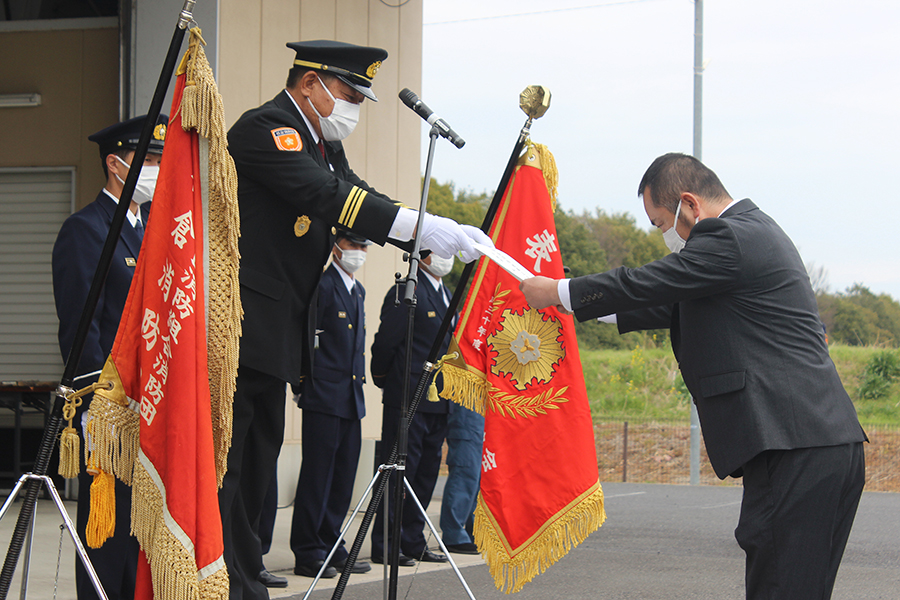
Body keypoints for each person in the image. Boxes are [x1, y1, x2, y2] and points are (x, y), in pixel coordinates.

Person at [519, 153, 867, 600]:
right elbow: (660, 303)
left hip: (797, 444)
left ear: (690, 204)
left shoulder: (730, 236)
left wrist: (560, 290)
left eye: (660, 222)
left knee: (779, 586)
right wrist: (565, 300)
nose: (664, 235)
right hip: (814, 441)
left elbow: (651, 283)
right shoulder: (751, 237)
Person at [224, 40, 490, 600]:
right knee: (236, 462)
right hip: (247, 325)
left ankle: (243, 578)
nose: (354, 108)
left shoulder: (320, 141)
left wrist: (424, 223)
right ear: (310, 84)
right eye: (348, 94)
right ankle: (229, 579)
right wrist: (413, 225)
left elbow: (354, 190)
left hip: (278, 327)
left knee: (258, 461)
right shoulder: (268, 127)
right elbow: (324, 195)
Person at [52, 114, 168, 600]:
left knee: (140, 536)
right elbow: (82, 327)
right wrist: (100, 407)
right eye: (152, 161)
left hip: (150, 405)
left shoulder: (148, 232)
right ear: (117, 164)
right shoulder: (86, 229)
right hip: (110, 409)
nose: (159, 171)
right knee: (108, 533)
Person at [290, 230, 373, 579]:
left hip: (351, 397)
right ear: (337, 246)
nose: (359, 252)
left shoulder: (358, 290)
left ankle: (330, 541)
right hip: (323, 395)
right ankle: (308, 550)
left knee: (342, 479)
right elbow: (305, 337)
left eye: (363, 246)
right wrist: (301, 384)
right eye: (353, 245)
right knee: (318, 476)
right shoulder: (323, 287)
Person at [370, 253, 456, 566]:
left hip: (438, 397)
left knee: (424, 475)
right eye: (440, 252)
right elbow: (386, 343)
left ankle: (413, 540)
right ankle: (386, 544)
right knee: (397, 473)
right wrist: (386, 381)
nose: (446, 259)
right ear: (423, 256)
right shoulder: (406, 291)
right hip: (407, 394)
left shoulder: (448, 293)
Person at [439, 403, 484, 555]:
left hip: (481, 411)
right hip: (467, 413)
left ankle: (475, 531)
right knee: (464, 474)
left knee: (478, 478)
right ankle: (453, 535)